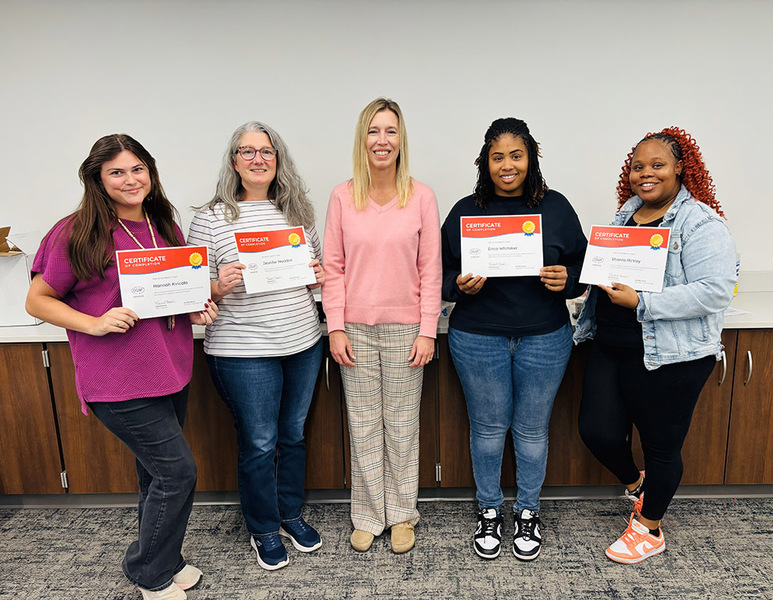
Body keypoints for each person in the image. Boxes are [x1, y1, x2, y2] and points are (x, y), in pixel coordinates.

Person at [25, 134, 218, 600]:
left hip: (170, 370)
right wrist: (93, 323)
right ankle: (149, 572)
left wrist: (195, 308)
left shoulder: (162, 224)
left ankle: (164, 559)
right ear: (97, 178)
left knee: (155, 475)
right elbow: (37, 300)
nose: (130, 180)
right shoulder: (76, 231)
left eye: (137, 169)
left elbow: (170, 293)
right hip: (118, 380)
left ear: (149, 173)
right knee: (178, 473)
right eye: (116, 172)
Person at [574, 127, 736, 564]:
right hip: (610, 345)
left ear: (681, 168)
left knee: (661, 445)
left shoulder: (700, 222)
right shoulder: (623, 218)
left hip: (670, 355)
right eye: (638, 166)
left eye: (657, 165)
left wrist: (643, 300)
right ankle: (636, 485)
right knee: (597, 430)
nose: (645, 174)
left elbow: (717, 291)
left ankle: (650, 528)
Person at [441, 117, 587, 561]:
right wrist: (458, 285)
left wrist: (568, 279)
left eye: (516, 155)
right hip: (476, 337)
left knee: (531, 431)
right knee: (487, 430)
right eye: (498, 156)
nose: (507, 165)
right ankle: (489, 509)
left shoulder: (556, 207)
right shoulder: (466, 210)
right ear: (485, 162)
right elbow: (436, 273)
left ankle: (527, 511)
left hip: (544, 338)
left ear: (531, 159)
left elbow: (585, 273)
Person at [187, 122, 325, 571]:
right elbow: (189, 289)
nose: (258, 159)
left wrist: (318, 276)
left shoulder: (297, 212)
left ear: (278, 159)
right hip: (243, 354)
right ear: (234, 162)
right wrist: (217, 285)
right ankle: (264, 528)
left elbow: (315, 275)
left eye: (266, 151)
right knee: (261, 443)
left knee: (294, 435)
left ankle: (291, 514)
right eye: (247, 151)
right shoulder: (211, 217)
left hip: (303, 343)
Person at [322, 97, 442, 554]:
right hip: (353, 329)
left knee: (402, 423)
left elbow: (431, 269)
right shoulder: (341, 196)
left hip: (406, 330)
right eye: (374, 131)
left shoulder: (421, 196)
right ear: (362, 139)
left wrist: (428, 329)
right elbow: (332, 268)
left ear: (401, 139)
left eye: (390, 131)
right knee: (364, 424)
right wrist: (335, 326)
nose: (382, 140)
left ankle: (403, 514)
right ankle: (369, 515)